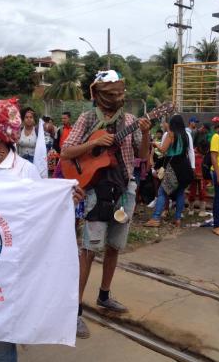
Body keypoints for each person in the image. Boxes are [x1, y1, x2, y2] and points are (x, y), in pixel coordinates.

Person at [0, 98, 83, 361]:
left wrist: (62, 201)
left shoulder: (24, 172)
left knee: (3, 349)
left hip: (4, 285)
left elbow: (38, 220)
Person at [60, 70, 151, 339]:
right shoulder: (87, 118)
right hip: (95, 192)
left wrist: (146, 133)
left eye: (119, 92)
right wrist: (95, 141)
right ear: (98, 94)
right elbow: (66, 152)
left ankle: (104, 295)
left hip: (123, 190)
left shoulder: (130, 120)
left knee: (114, 247)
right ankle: (74, 310)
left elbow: (143, 155)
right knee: (89, 250)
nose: (117, 97)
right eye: (111, 93)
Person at [145, 115, 195, 227]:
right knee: (180, 192)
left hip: (173, 166)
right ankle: (177, 219)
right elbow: (189, 151)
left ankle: (156, 218)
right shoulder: (186, 135)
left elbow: (163, 150)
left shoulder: (170, 134)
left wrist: (155, 144)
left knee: (162, 192)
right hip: (184, 165)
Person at [188, 140, 210, 216]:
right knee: (192, 192)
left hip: (202, 176)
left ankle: (202, 210)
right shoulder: (192, 152)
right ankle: (191, 209)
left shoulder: (207, 153)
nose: (204, 151)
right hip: (193, 175)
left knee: (202, 192)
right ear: (199, 147)